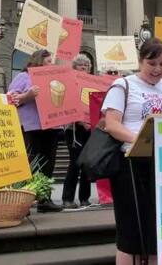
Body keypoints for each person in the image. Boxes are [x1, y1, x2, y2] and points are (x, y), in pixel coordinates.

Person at [103, 38, 162, 265]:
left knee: (161, 229)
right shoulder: (124, 85)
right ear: (140, 62)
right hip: (132, 163)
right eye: (152, 64)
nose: (157, 69)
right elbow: (112, 124)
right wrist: (144, 140)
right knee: (131, 231)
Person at [8, 49, 63, 212]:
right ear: (38, 61)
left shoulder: (54, 79)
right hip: (31, 128)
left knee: (48, 165)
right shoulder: (23, 77)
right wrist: (28, 95)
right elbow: (9, 99)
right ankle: (25, 200)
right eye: (48, 61)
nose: (51, 64)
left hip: (51, 127)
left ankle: (44, 200)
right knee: (31, 164)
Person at [62, 54, 93, 209]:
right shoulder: (70, 84)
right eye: (80, 65)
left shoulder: (92, 85)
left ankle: (84, 198)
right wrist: (82, 122)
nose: (83, 68)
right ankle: (67, 198)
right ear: (74, 68)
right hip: (73, 129)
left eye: (86, 66)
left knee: (87, 164)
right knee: (75, 163)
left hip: (89, 129)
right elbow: (68, 107)